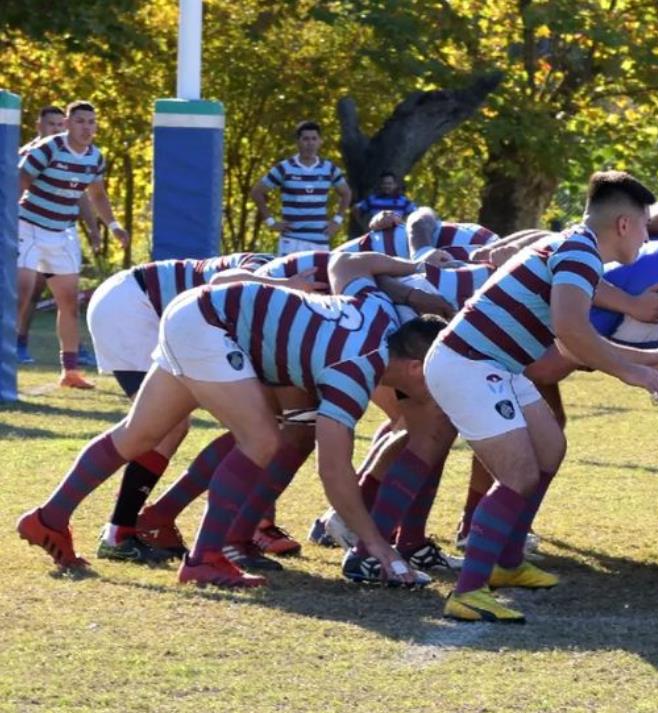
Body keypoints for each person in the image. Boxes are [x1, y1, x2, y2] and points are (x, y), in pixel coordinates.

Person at [16, 252, 441, 590]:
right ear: (417, 367)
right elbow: (333, 471)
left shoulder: (379, 309)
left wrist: (416, 273)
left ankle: (49, 517)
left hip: (196, 309)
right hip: (210, 321)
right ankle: (205, 558)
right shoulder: (357, 371)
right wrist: (378, 547)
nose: (440, 394)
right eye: (440, 377)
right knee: (262, 440)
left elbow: (353, 263)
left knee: (137, 434)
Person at [426, 171, 658, 623]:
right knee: (520, 473)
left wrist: (642, 360)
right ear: (624, 225)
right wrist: (630, 370)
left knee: (551, 447)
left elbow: (570, 339)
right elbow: (571, 332)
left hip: (495, 364)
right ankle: (467, 592)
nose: (647, 238)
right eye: (646, 226)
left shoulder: (576, 248)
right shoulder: (580, 255)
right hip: (470, 364)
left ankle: (506, 563)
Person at [84, 251, 301, 562]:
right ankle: (116, 533)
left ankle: (137, 527)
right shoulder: (271, 270)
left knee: (252, 422)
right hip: (134, 306)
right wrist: (286, 283)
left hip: (139, 303)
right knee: (163, 428)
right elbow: (225, 280)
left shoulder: (281, 284)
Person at [15, 101, 130, 388]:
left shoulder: (96, 157)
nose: (86, 127)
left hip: (62, 234)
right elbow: (20, 178)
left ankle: (70, 371)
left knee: (69, 303)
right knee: (22, 293)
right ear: (67, 123)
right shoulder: (49, 148)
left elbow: (97, 195)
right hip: (28, 227)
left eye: (91, 122)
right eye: (80, 121)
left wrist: (113, 226)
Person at [251, 120, 352, 254]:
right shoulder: (284, 168)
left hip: (319, 239)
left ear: (320, 141)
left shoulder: (329, 168)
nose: (310, 143)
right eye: (305, 139)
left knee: (320, 275)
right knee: (287, 276)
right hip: (291, 240)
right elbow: (257, 192)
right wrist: (271, 222)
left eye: (314, 139)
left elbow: (346, 193)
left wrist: (337, 220)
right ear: (298, 142)